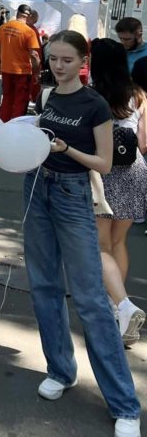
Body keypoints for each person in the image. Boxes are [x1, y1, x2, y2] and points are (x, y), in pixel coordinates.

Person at [27, 30, 140, 436]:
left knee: (91, 297)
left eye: (66, 60)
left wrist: (64, 149)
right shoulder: (46, 96)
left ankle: (125, 404)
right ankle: (60, 369)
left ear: (82, 61)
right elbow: (35, 141)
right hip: (37, 189)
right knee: (43, 286)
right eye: (53, 59)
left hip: (74, 195)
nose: (58, 66)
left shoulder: (93, 105)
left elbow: (105, 164)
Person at [89, 39, 147, 346]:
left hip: (102, 173)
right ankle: (121, 304)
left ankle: (116, 305)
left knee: (100, 244)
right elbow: (145, 142)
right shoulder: (139, 95)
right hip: (134, 171)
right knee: (119, 242)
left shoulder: (91, 94)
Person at [0, 5, 41, 121]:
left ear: (18, 13)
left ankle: (2, 123)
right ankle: (15, 127)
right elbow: (34, 56)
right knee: (20, 101)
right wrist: (36, 72)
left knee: (7, 99)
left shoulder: (4, 27)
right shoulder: (29, 31)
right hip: (22, 72)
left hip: (6, 70)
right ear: (28, 16)